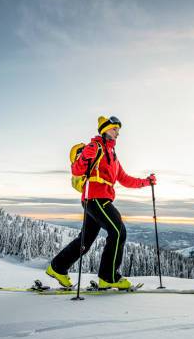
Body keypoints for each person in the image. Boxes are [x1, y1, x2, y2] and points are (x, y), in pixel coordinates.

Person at [46, 115, 156, 289]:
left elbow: (125, 179)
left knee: (85, 241)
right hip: (95, 198)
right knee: (118, 231)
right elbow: (77, 169)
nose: (117, 133)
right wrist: (83, 158)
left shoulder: (113, 155)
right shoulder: (95, 146)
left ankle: (57, 267)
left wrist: (146, 182)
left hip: (97, 199)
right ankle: (108, 277)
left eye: (118, 130)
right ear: (105, 130)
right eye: (114, 129)